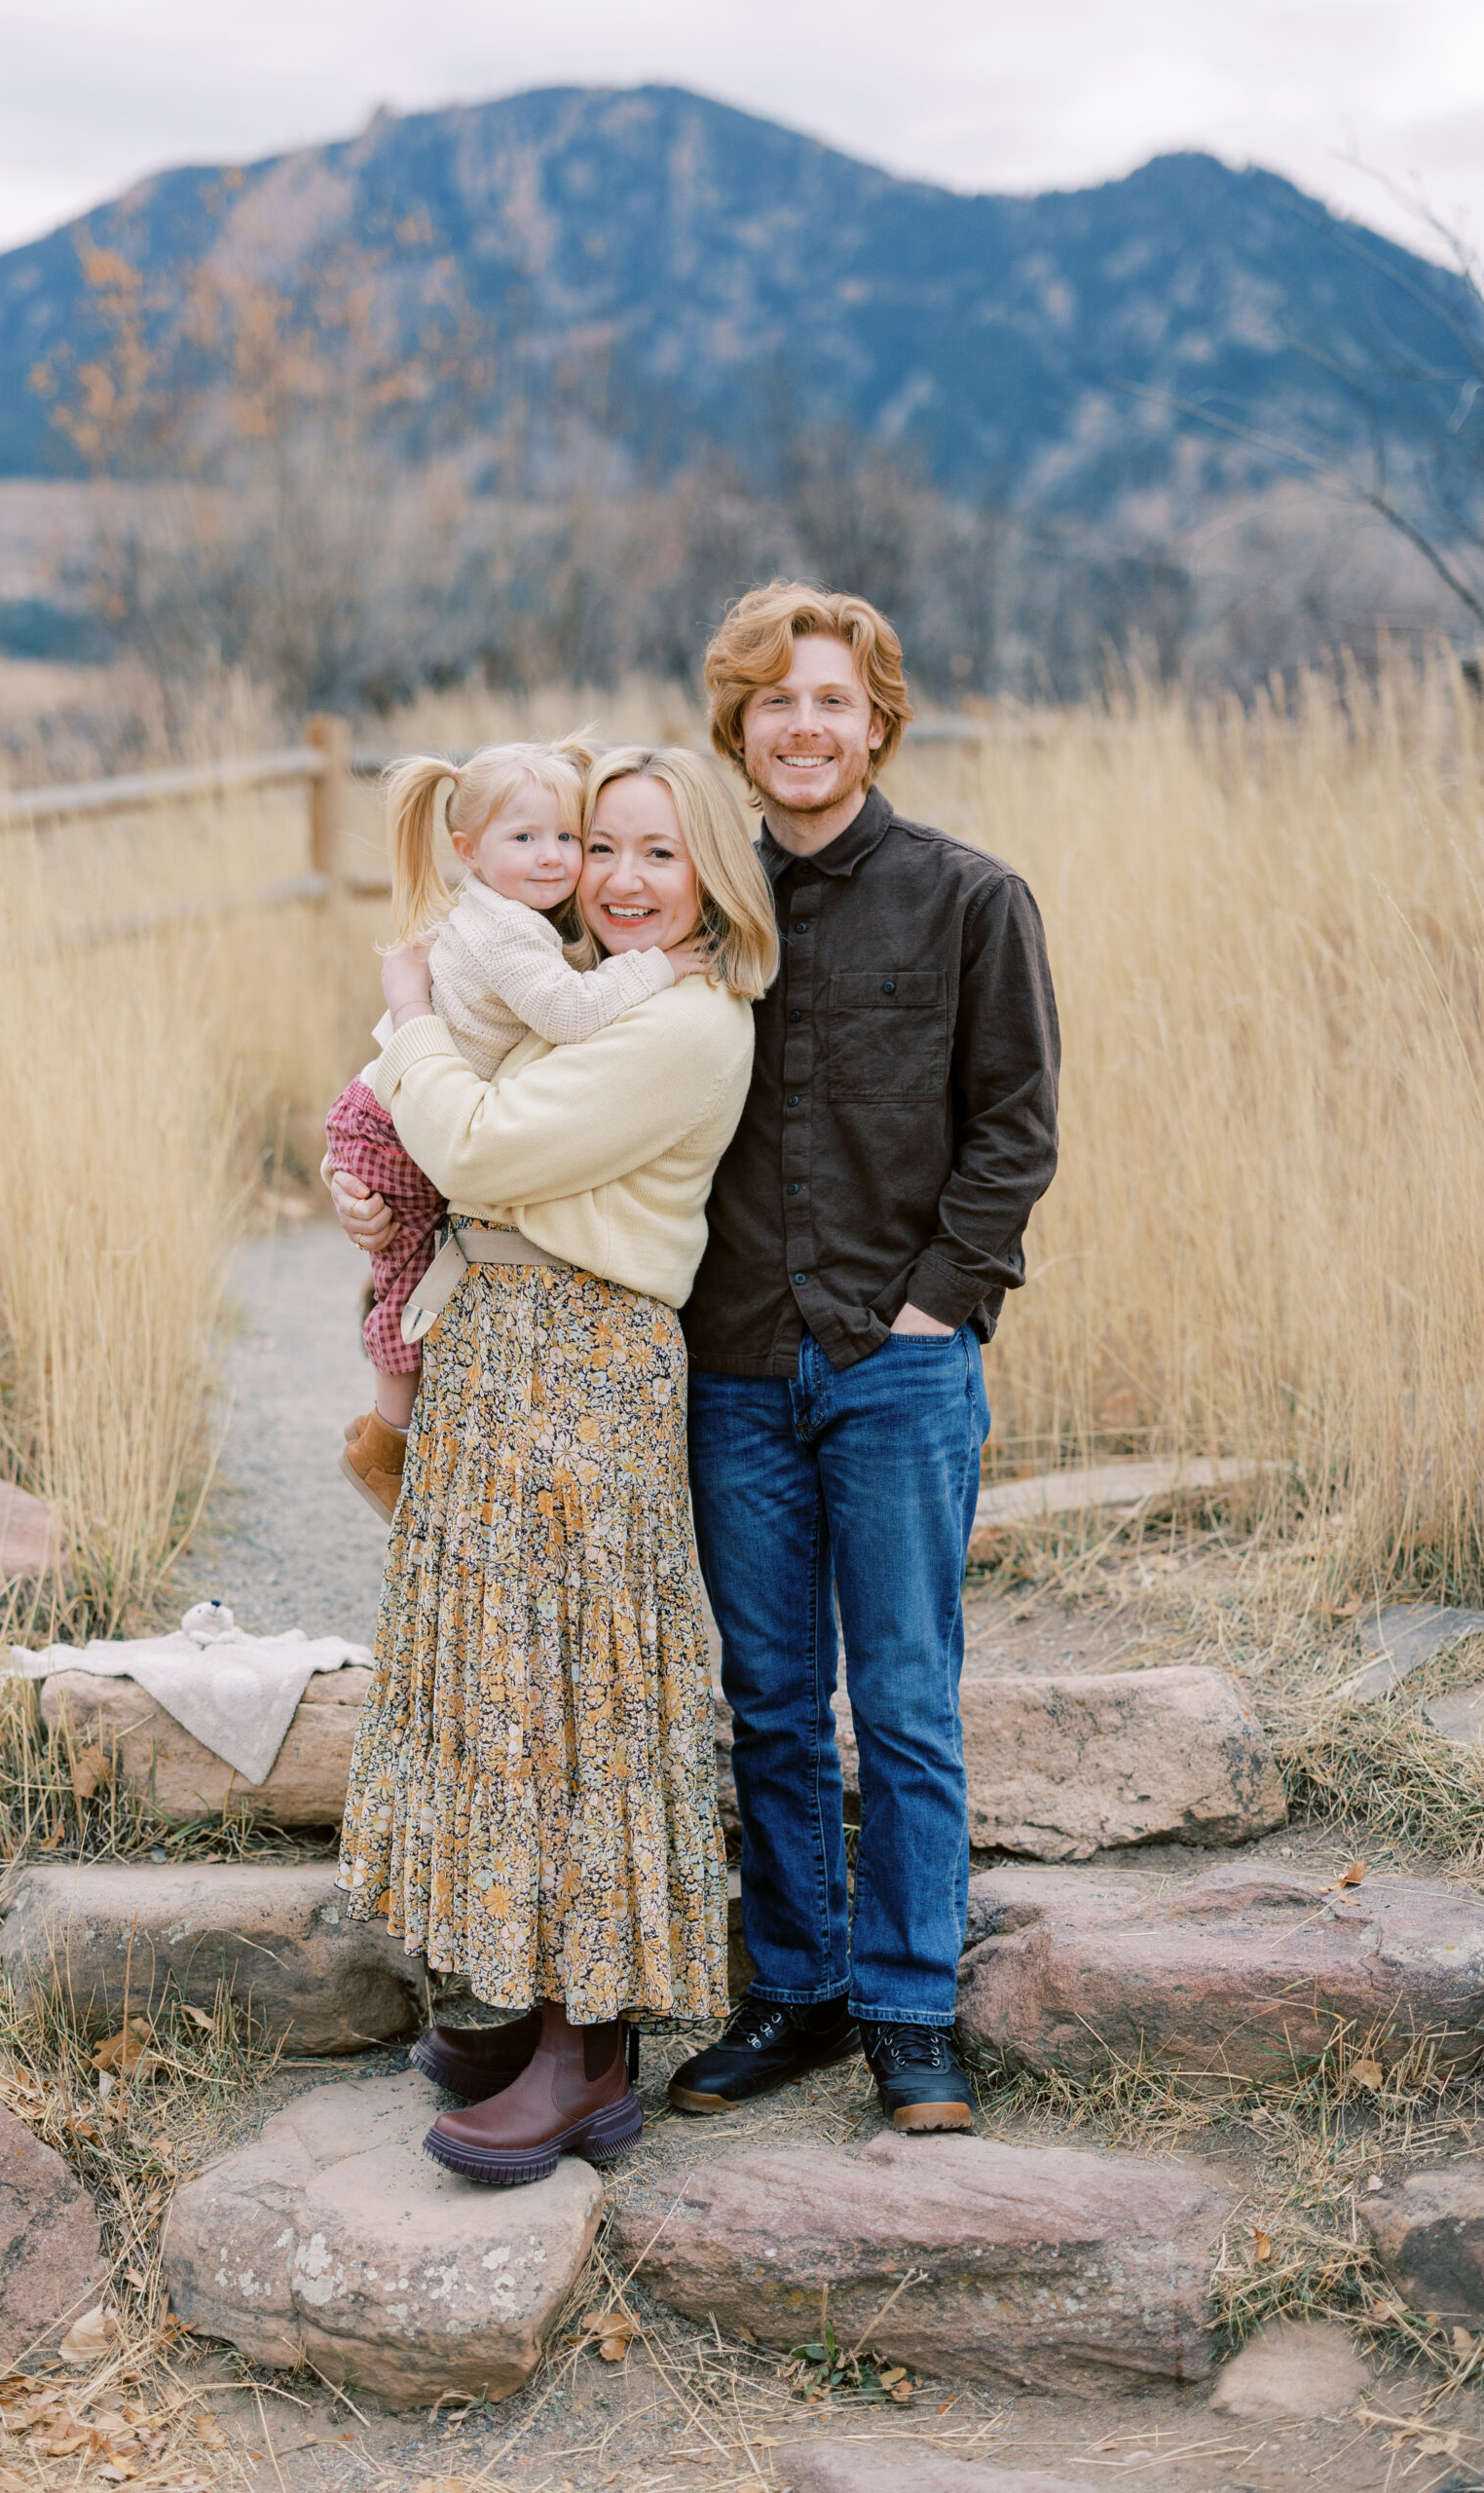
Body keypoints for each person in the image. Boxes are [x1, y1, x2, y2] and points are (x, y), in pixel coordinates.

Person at [329, 745, 778, 2186]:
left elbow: (471, 1145)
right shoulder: (572, 986)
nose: (624, 881)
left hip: (582, 1362)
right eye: (605, 849)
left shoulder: (691, 1026)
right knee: (494, 1675)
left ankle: (588, 2053)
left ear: (711, 871)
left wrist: (404, 1032)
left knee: (577, 1684)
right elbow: (446, 1164)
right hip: (495, 1345)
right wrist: (369, 1190)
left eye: (660, 853)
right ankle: (516, 1993)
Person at [667, 581, 1060, 2134]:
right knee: (767, 1696)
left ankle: (909, 2013)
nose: (803, 727)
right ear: (739, 732)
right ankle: (797, 1995)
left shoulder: (973, 900)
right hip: (734, 1365)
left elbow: (1013, 1126)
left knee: (901, 1699)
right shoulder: (701, 911)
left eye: (830, 700)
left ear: (874, 720)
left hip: (899, 1365)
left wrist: (936, 1303)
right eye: (774, 704)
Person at [326, 735, 707, 1520]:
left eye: (570, 838)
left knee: (415, 1261)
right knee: (406, 1279)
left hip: (393, 1104)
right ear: (467, 850)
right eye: (526, 839)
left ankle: (401, 1429)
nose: (555, 858)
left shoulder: (510, 912)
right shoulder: (507, 929)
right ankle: (385, 1443)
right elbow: (569, 1011)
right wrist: (661, 966)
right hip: (392, 1121)